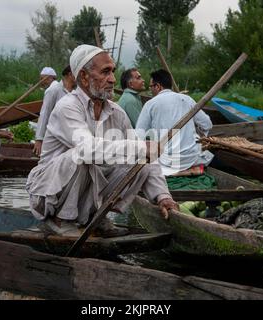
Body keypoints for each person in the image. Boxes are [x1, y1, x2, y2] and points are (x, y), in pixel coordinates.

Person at [26, 45, 178, 237]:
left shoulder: (117, 113)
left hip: (88, 185)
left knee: (141, 162)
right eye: (105, 72)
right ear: (83, 76)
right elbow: (87, 148)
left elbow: (146, 157)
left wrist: (163, 196)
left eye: (113, 71)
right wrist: (140, 147)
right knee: (83, 155)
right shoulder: (67, 107)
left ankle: (95, 216)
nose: (113, 79)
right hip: (48, 194)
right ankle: (60, 219)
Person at [135, 69, 213, 176]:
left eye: (151, 87)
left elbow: (138, 135)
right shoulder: (187, 99)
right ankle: (188, 170)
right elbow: (207, 124)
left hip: (167, 161)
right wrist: (200, 137)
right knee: (205, 155)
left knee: (145, 162)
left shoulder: (150, 104)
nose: (150, 90)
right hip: (190, 158)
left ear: (158, 86)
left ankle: (177, 173)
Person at [33, 65, 76, 157]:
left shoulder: (75, 92)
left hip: (69, 137)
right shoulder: (53, 90)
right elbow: (44, 114)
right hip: (55, 136)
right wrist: (39, 139)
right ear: (70, 74)